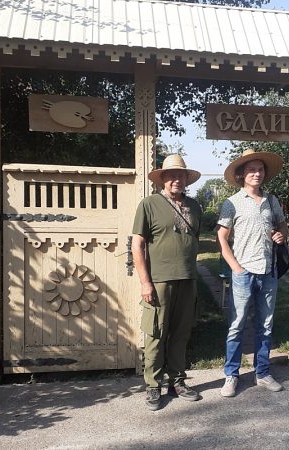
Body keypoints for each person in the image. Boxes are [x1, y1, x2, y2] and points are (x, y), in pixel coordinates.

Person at [132, 154, 203, 411]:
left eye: (180, 175)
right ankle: (153, 385)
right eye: (171, 175)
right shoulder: (149, 204)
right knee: (155, 334)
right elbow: (137, 244)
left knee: (181, 333)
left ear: (186, 178)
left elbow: (194, 239)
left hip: (188, 278)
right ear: (163, 178)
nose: (176, 179)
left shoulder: (195, 207)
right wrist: (145, 282)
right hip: (159, 280)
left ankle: (177, 381)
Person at [216, 148, 289, 397]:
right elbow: (222, 237)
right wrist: (235, 266)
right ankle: (231, 375)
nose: (256, 173)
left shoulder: (272, 201)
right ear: (241, 175)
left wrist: (281, 234)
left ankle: (262, 372)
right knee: (237, 325)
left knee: (265, 326)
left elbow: (281, 225)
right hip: (244, 272)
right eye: (251, 170)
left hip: (268, 272)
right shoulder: (232, 203)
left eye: (260, 169)